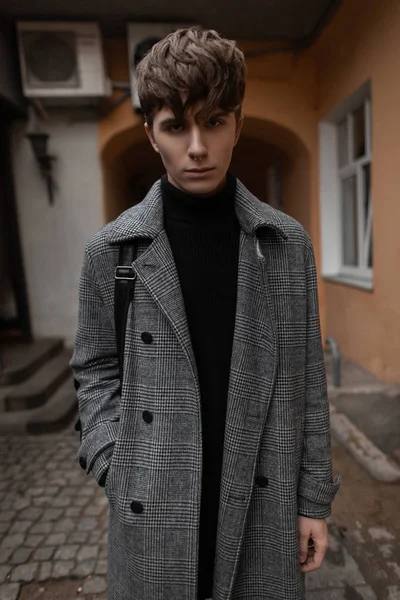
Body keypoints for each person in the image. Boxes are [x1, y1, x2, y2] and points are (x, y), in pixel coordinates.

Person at [70, 26, 340, 600]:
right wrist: (118, 467)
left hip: (260, 502)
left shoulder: (285, 243)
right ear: (151, 134)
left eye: (214, 122)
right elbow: (94, 370)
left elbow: (305, 379)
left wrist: (313, 498)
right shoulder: (114, 251)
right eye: (176, 126)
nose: (197, 146)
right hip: (155, 509)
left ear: (237, 125)